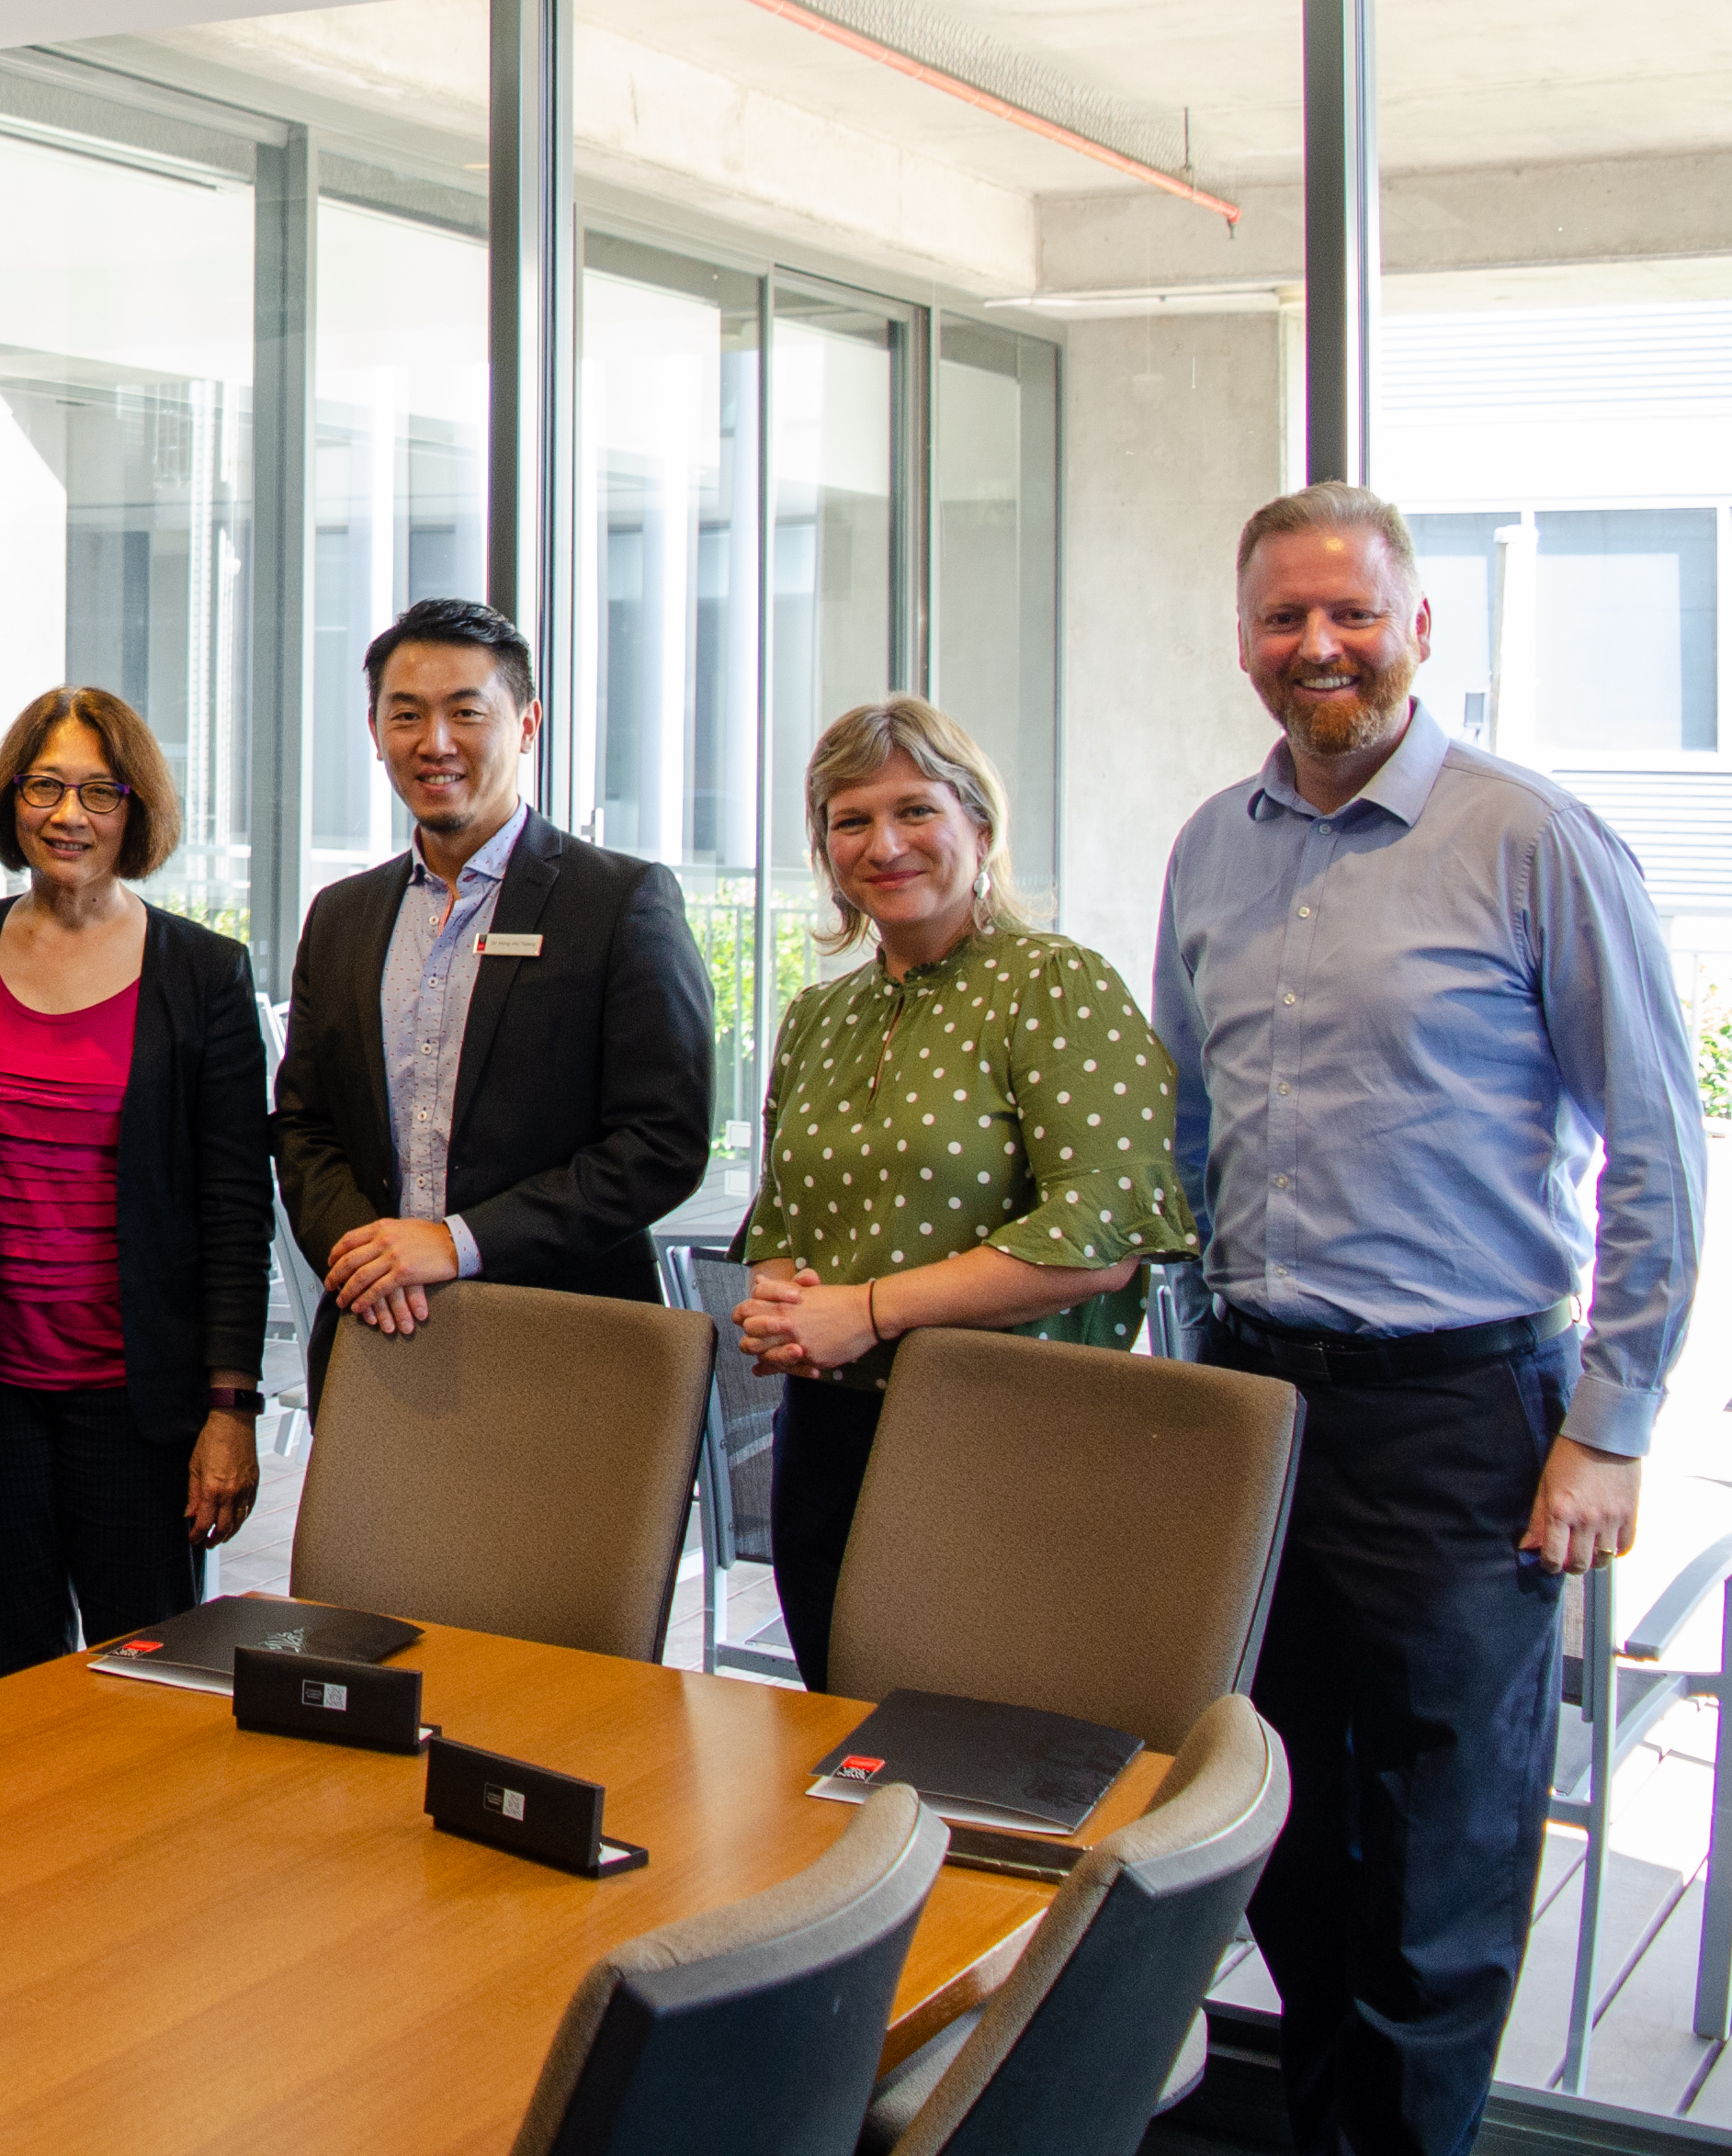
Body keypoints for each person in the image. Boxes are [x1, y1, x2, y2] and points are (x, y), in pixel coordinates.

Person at [1158, 483, 1700, 2156]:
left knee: (1440, 1858)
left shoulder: (1528, 838)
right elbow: (1188, 1129)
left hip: (1462, 1417)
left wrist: (1606, 1424)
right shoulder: (1208, 843)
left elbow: (1655, 1151)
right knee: (1283, 1834)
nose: (1312, 646)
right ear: (1242, 638)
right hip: (1254, 1404)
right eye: (1278, 618)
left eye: (1347, 612)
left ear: (1416, 626)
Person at [727, 694, 1197, 1694]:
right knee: (840, 1747)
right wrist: (783, 1302)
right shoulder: (821, 1014)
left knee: (972, 1761)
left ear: (980, 826)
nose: (883, 844)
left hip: (1003, 1437)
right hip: (827, 1436)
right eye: (850, 821)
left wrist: (864, 1311)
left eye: (915, 811)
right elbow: (781, 1219)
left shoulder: (1056, 986)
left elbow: (1098, 1235)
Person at [270, 599, 710, 1348]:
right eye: (405, 715)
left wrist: (458, 1241)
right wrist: (368, 1257)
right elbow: (306, 1126)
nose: (434, 742)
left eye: (466, 713)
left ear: (528, 724)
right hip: (380, 1332)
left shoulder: (620, 902)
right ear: (376, 733)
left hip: (563, 1341)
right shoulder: (341, 915)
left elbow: (662, 1141)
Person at [0, 685, 269, 1680]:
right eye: (45, 786)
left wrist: (231, 1408)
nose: (67, 815)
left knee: (152, 1683)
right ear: (12, 799)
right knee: (12, 1680)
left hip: (142, 1405)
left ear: (137, 809)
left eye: (97, 790)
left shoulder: (204, 974)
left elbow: (233, 1210)